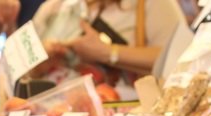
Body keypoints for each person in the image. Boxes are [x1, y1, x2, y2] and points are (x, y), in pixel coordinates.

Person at [33, 0, 185, 82]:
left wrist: (107, 53)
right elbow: (18, 77)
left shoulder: (150, 3)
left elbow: (179, 58)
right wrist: (41, 62)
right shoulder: (52, 8)